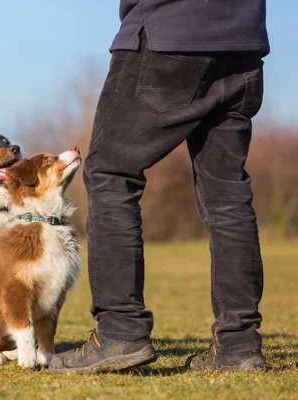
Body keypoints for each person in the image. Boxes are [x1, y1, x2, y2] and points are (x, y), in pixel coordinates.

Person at [49, 0, 269, 373]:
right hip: (242, 39)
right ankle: (238, 343)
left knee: (110, 173)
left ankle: (120, 330)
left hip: (169, 30)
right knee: (227, 192)